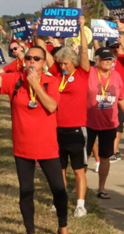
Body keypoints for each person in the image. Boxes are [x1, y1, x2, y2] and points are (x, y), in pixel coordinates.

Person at [0, 42, 68, 234]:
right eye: (28, 58)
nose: (31, 61)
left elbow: (51, 106)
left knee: (58, 188)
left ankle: (63, 225)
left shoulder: (51, 81)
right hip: (23, 147)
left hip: (48, 147)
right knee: (26, 191)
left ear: (43, 64)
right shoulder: (15, 80)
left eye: (36, 59)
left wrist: (36, 85)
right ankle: (30, 231)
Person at [38, 19, 91, 218]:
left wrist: (80, 29)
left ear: (73, 62)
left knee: (78, 170)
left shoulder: (82, 73)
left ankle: (80, 204)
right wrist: (39, 35)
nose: (61, 66)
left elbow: (84, 53)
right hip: (56, 128)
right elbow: (44, 54)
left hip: (77, 129)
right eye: (60, 63)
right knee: (59, 169)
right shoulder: (57, 74)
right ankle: (58, 200)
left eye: (65, 63)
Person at [86, 47, 124, 200]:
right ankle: (79, 185)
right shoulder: (90, 73)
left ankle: (101, 188)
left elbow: (121, 98)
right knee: (84, 156)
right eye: (104, 59)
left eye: (110, 59)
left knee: (106, 157)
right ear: (97, 60)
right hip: (89, 122)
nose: (108, 62)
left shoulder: (116, 76)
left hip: (109, 123)